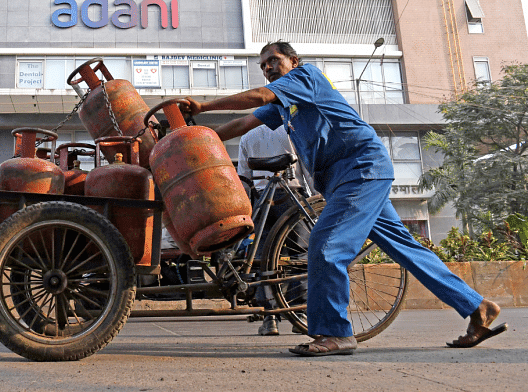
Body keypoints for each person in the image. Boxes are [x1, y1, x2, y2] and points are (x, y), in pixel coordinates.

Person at [180, 40, 507, 356]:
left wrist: (205, 105)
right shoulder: (283, 105)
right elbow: (242, 123)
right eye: (263, 65)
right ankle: (478, 308)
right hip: (347, 179)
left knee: (325, 245)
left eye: (274, 61)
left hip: (360, 169)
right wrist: (189, 135)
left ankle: (335, 333)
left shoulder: (307, 77)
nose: (267, 68)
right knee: (407, 250)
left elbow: (261, 95)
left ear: (293, 62)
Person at [237, 124, 311, 336]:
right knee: (301, 256)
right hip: (291, 196)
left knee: (263, 257)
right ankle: (300, 315)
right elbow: (306, 169)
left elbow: (244, 178)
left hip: (263, 199)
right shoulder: (291, 130)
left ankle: (270, 318)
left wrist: (247, 210)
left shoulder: (247, 136)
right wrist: (316, 198)